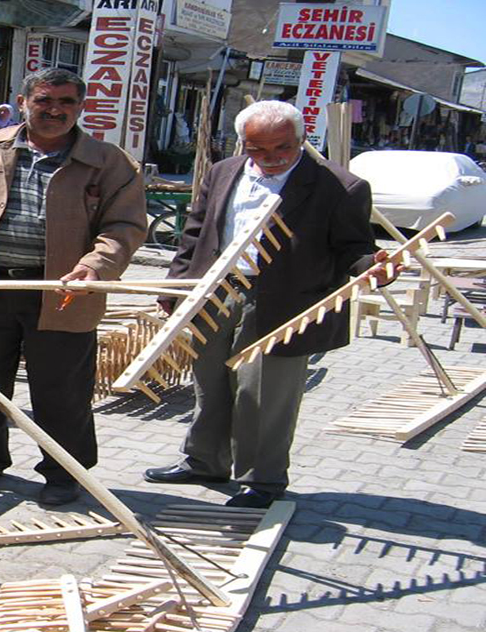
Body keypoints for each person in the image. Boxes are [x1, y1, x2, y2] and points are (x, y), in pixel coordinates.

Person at [0, 68, 148, 506]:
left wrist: (96, 266)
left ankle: (64, 472)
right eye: (44, 101)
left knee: (62, 390)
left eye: (66, 103)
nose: (54, 110)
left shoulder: (108, 162)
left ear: (81, 107)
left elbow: (125, 225)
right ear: (23, 102)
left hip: (62, 292)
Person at [142, 101, 396, 508]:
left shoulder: (339, 186)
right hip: (216, 290)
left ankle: (263, 480)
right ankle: (205, 460)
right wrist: (175, 291)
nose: (272, 158)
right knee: (208, 380)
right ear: (244, 144)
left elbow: (354, 247)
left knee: (263, 392)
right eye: (259, 149)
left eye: (283, 148)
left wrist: (374, 267)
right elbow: (195, 235)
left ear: (301, 141)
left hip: (283, 300)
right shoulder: (224, 172)